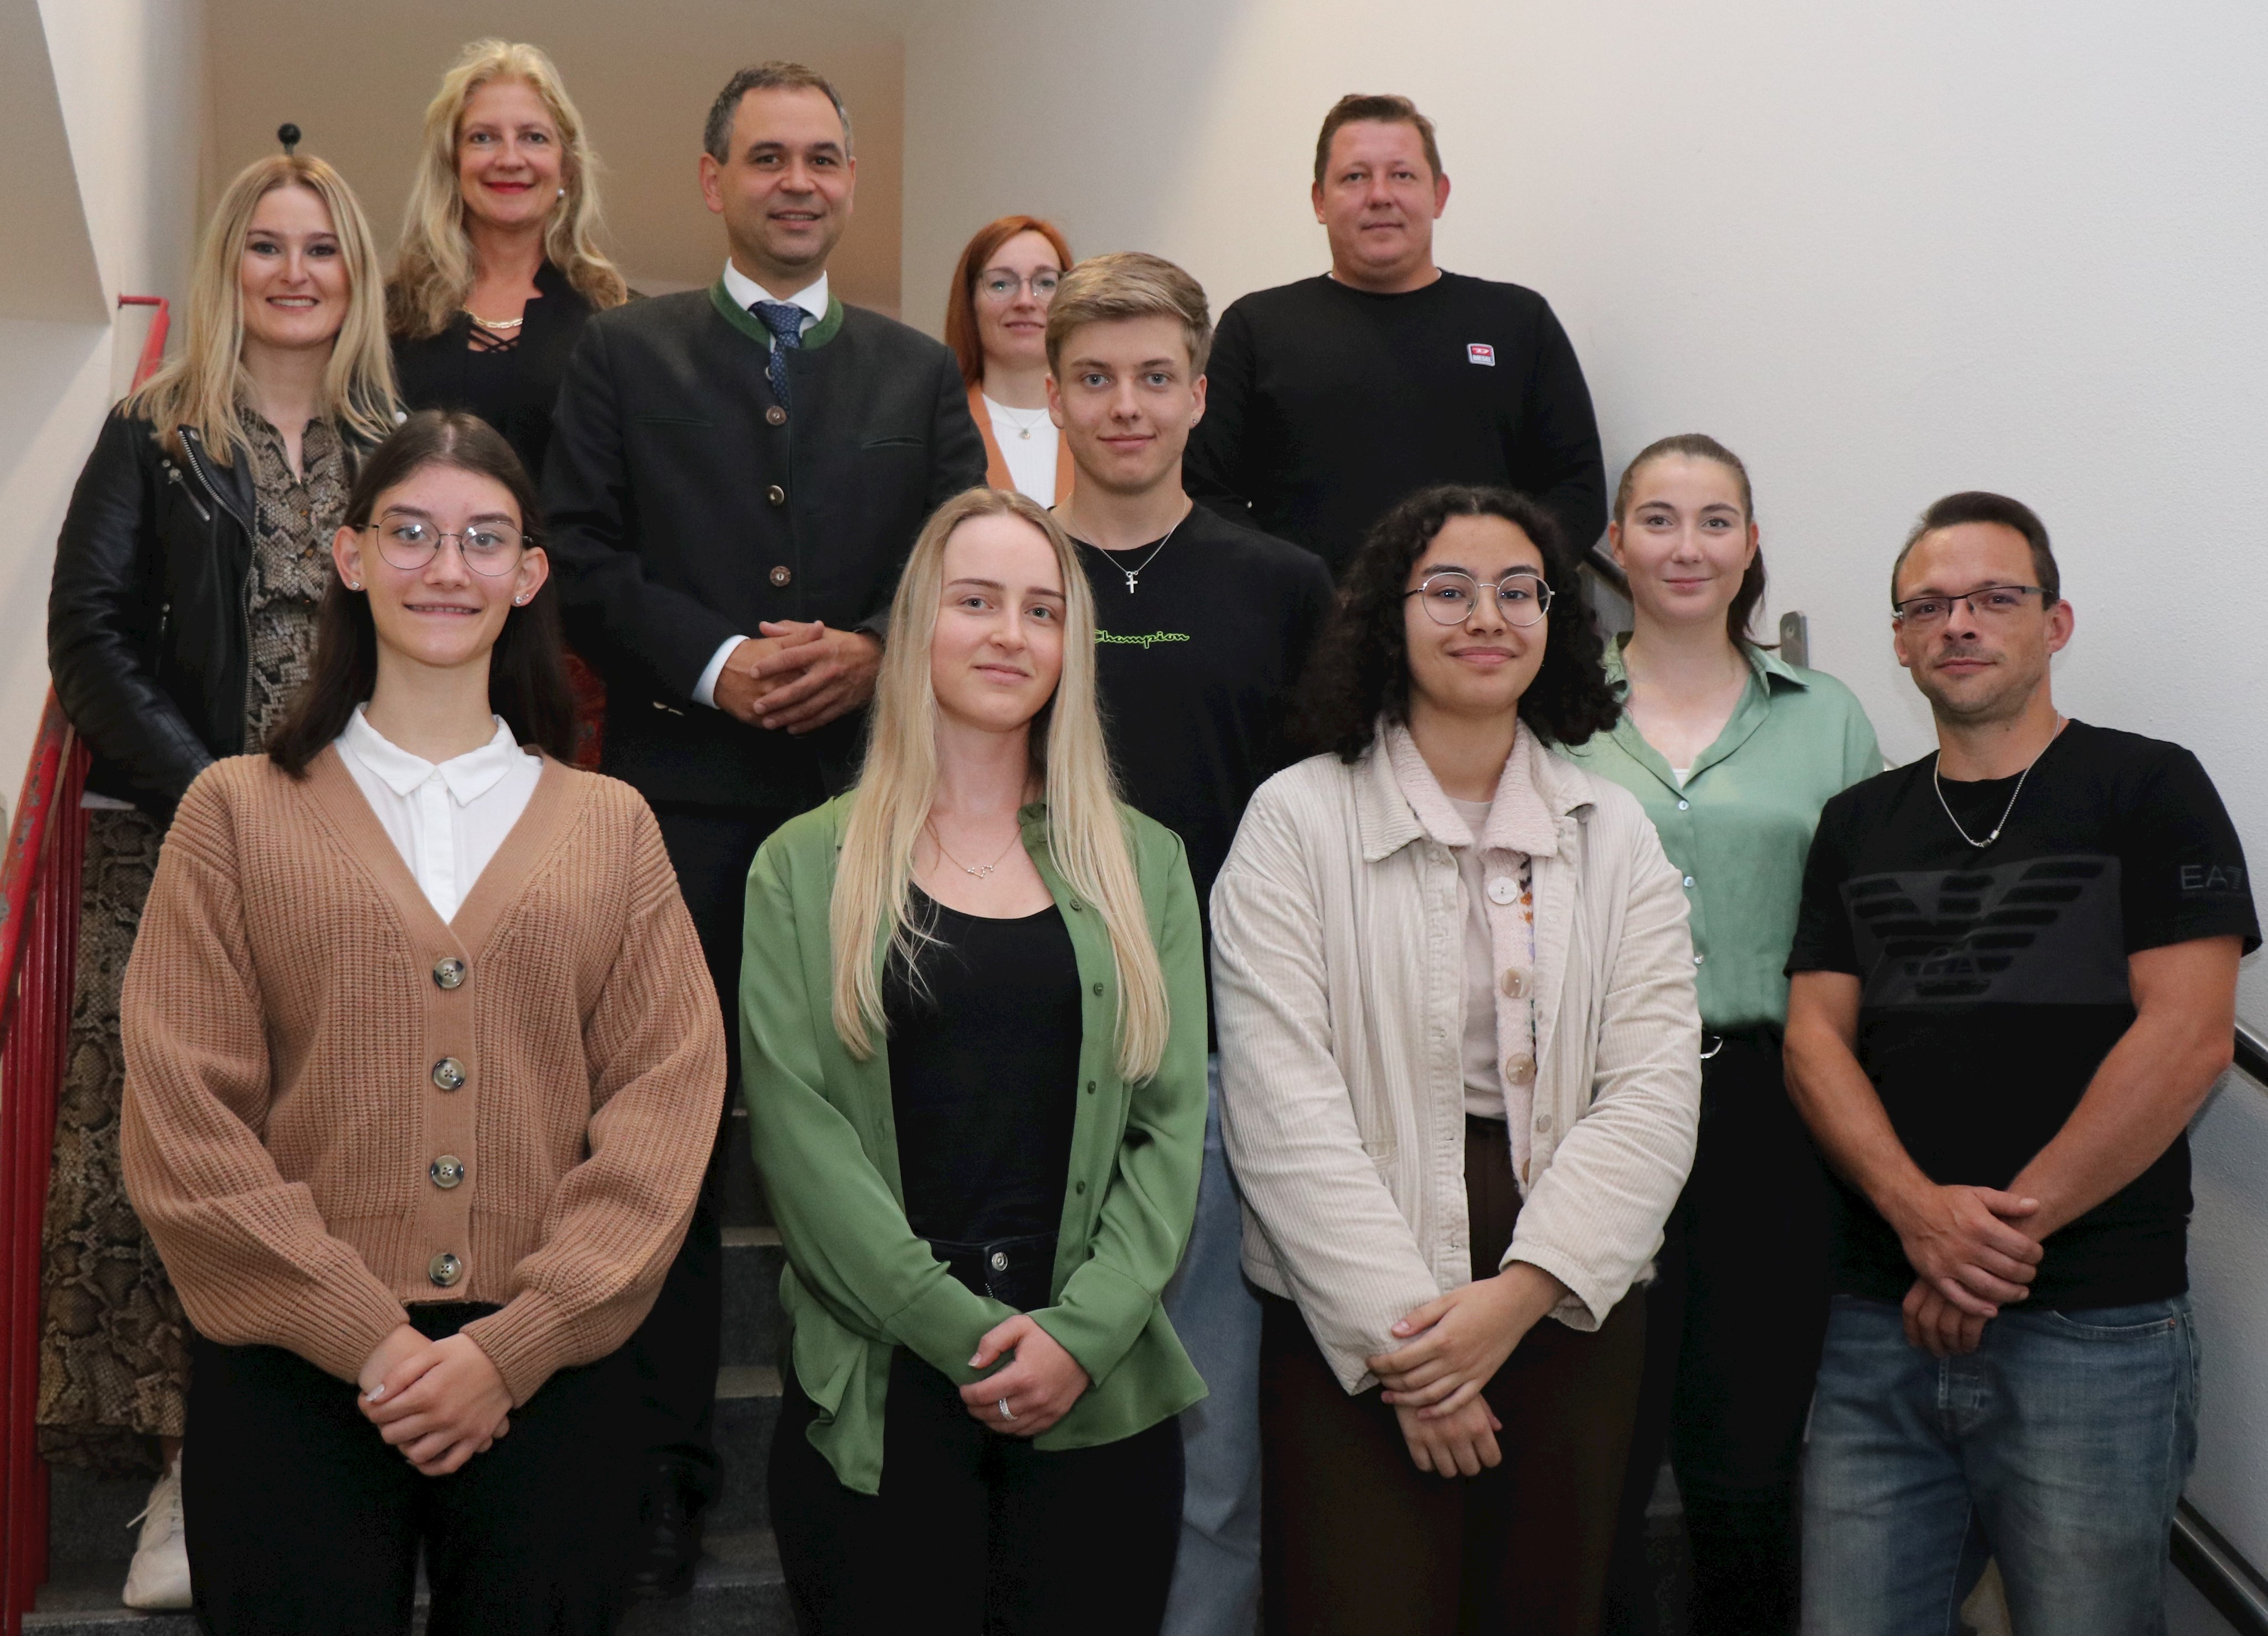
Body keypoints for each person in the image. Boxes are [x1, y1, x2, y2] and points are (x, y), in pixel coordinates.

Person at [117, 409, 725, 1635]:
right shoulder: (233, 816)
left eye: (483, 539)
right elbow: (186, 1122)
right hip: (289, 1375)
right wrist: (374, 1342)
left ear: (529, 573)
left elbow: (666, 1109)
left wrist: (516, 1345)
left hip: (551, 1383)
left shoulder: (612, 828)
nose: (446, 569)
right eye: (411, 533)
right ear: (350, 557)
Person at [543, 60, 987, 1594]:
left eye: (824, 159)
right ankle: (668, 1466)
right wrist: (721, 661)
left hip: (877, 811)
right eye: (770, 158)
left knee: (874, 1134)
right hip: (683, 807)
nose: (799, 181)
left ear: (850, 183)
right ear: (714, 178)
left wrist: (874, 646)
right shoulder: (624, 351)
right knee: (666, 1139)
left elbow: (960, 558)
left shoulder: (921, 373)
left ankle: (867, 1431)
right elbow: (577, 553)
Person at [1212, 485, 1702, 1635]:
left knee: (1545, 1600)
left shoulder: (1612, 828)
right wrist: (1411, 1347)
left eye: (1518, 589)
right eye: (1448, 588)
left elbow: (1653, 1088)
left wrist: (1523, 1295)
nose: (1486, 614)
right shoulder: (1295, 818)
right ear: (1389, 614)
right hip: (1359, 1272)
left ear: (1554, 619)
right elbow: (1278, 1102)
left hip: (1568, 1268)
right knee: (1359, 1601)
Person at [1784, 492, 2256, 1636]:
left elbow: (2187, 1036)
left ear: (2054, 623)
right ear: (1897, 641)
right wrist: (1918, 1223)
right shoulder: (1854, 821)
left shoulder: (2148, 788)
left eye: (1995, 597)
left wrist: (1985, 1244)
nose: (1959, 622)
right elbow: (1810, 1039)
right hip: (1875, 1320)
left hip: (2092, 1324)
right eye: (1928, 605)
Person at [744, 486, 1209, 1634]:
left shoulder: (1143, 863)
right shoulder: (802, 866)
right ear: (917, 629)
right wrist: (960, 1334)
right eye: (976, 601)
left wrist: (1078, 1334)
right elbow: (801, 1141)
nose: (1010, 632)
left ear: (1072, 645)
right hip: (884, 1383)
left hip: (1092, 1384)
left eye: (1042, 609)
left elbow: (1169, 1125)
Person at [43, 150, 398, 1612]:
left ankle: (313, 1455)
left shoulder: (400, 448)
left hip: (359, 857)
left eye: (323, 246)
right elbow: (91, 636)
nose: (296, 270)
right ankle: (185, 1481)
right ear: (229, 267)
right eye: (267, 246)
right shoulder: (153, 432)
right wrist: (219, 799)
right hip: (179, 844)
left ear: (356, 272)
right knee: (168, 1172)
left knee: (330, 1156)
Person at [1043, 250, 1334, 1636]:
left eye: (1155, 378)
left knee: (1213, 1431)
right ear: (1052, 394)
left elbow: (1331, 820)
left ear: (1197, 394)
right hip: (1023, 1042)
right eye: (1094, 379)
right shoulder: (995, 571)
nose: (1126, 407)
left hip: (1216, 1053)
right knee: (1026, 1401)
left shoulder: (1281, 584)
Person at [1556, 435, 1881, 1635]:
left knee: (1743, 1460)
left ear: (1749, 544)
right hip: (1589, 1109)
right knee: (1594, 1444)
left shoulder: (1828, 716)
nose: (1684, 546)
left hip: (1769, 1105)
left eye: (1712, 520)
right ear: (1612, 544)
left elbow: (1868, 930)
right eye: (1656, 519)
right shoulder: (1554, 706)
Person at [1184, 94, 1606, 577]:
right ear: (1320, 201)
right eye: (1355, 177)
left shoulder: (1518, 322)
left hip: (1483, 631)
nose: (1380, 195)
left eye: (1402, 175)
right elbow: (1205, 491)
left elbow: (1578, 492)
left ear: (1439, 194)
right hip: (1307, 637)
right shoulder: (1256, 328)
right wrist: (1291, 592)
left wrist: (1501, 587)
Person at [388, 39, 630, 483]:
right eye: (483, 138)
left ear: (567, 169)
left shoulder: (621, 322)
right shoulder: (385, 319)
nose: (510, 159)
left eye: (533, 138)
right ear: (452, 163)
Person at [946, 214, 1075, 505]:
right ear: (970, 303)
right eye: (1002, 284)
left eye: (1046, 283)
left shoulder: (1098, 420)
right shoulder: (941, 426)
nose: (1026, 301)